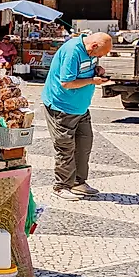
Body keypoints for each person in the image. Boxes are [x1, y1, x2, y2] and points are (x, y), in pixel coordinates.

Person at [41, 32, 113, 200]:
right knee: (65, 147)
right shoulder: (72, 51)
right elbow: (66, 83)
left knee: (84, 145)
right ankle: (61, 186)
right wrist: (92, 81)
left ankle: (78, 183)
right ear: (93, 45)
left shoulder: (91, 50)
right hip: (62, 107)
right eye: (99, 54)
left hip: (81, 108)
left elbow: (87, 68)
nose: (99, 57)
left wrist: (98, 70)